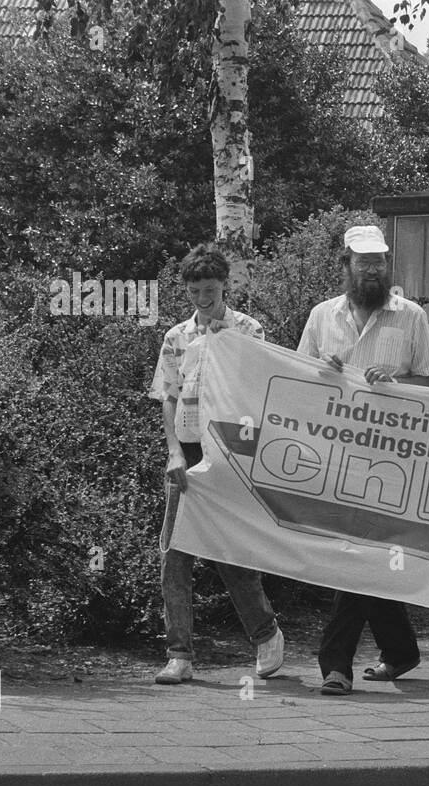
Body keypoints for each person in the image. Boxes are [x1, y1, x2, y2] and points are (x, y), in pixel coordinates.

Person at [296, 224, 429, 697]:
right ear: (346, 266)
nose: (373, 271)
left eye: (380, 262)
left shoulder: (412, 317)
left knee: (356, 557)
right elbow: (298, 381)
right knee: (362, 556)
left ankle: (335, 664)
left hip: (392, 460)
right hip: (336, 456)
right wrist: (324, 373)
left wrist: (397, 383)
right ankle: (399, 649)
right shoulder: (322, 316)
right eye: (363, 263)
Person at [148, 245, 285, 686]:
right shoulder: (175, 337)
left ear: (225, 284)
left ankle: (266, 635)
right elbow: (168, 396)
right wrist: (172, 452)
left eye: (209, 290)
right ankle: (179, 654)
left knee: (230, 551)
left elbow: (263, 389)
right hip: (187, 450)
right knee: (175, 553)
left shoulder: (249, 329)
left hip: (230, 450)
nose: (202, 299)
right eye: (194, 291)